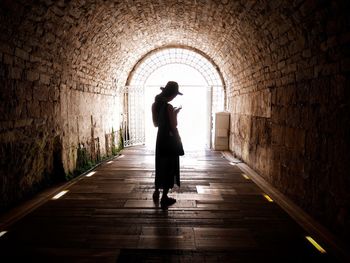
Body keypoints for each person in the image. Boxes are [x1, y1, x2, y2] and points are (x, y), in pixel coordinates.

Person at [151, 81, 183, 208]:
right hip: (170, 139)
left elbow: (155, 124)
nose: (175, 97)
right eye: (175, 94)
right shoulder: (169, 107)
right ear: (172, 94)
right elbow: (174, 125)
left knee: (160, 165)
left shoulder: (154, 105)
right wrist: (175, 113)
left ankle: (156, 192)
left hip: (160, 139)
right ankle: (164, 197)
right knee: (169, 166)